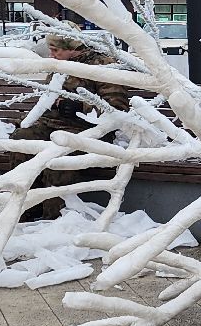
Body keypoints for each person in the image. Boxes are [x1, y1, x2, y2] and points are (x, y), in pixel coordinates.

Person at [22, 30, 130, 222]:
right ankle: (25, 208)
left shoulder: (102, 65)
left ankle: (52, 218)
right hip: (53, 125)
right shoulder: (60, 64)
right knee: (22, 140)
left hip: (86, 132)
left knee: (57, 158)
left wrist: (78, 106)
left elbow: (117, 108)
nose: (51, 55)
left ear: (72, 49)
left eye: (56, 50)